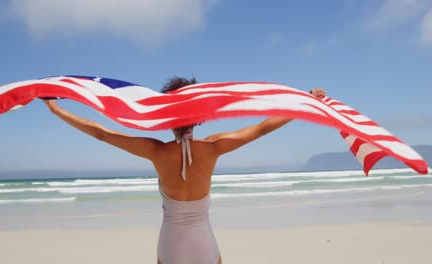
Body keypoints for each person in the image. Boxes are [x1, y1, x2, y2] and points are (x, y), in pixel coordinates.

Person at [44, 77, 326, 264]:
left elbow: (102, 134)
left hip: (171, 245)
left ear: (166, 115)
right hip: (204, 240)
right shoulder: (213, 148)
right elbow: (261, 128)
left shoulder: (156, 151)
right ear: (199, 117)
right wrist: (306, 101)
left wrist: (57, 111)